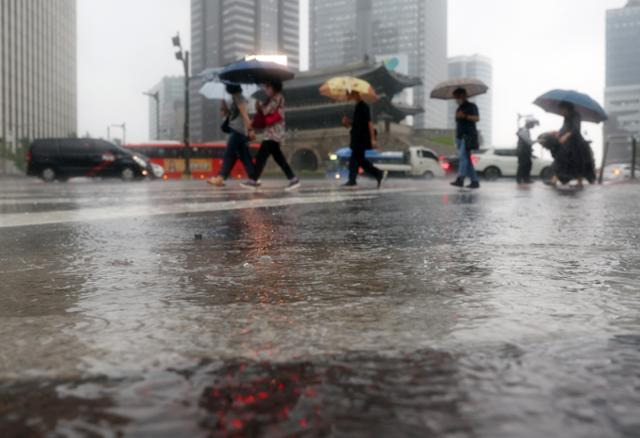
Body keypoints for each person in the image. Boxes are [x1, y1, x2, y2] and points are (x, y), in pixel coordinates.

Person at [242, 79, 300, 191]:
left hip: (274, 134)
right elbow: (266, 112)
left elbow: (268, 111)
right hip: (271, 133)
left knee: (261, 157)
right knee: (278, 158)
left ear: (274, 87)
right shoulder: (272, 98)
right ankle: (292, 178)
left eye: (268, 87)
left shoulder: (278, 97)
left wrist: (259, 107)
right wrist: (260, 106)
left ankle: (253, 180)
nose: (266, 89)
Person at [207, 84, 256, 187]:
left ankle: (220, 177)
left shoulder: (239, 97)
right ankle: (253, 177)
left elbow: (244, 114)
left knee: (228, 154)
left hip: (237, 131)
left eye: (227, 87)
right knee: (243, 157)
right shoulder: (235, 98)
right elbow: (233, 115)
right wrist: (224, 106)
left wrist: (250, 130)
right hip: (238, 131)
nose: (226, 89)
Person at [539, 101, 596, 187]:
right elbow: (564, 128)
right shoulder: (566, 117)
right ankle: (554, 180)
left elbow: (576, 129)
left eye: (561, 109)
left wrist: (566, 136)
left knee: (577, 163)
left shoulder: (576, 115)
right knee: (561, 161)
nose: (560, 111)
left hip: (576, 144)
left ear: (567, 108)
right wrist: (558, 133)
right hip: (567, 144)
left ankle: (579, 182)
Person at [341, 91, 385, 188]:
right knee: (359, 160)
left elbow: (369, 123)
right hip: (357, 138)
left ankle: (352, 180)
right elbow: (356, 125)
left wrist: (373, 139)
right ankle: (377, 173)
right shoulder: (357, 107)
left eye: (350, 94)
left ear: (356, 94)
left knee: (354, 159)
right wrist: (347, 124)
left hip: (361, 139)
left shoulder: (364, 107)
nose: (348, 97)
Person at [450, 88, 481, 189]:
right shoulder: (458, 109)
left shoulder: (471, 106)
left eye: (457, 97)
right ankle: (475, 181)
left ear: (463, 95)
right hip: (459, 137)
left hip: (468, 136)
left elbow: (477, 118)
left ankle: (460, 179)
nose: (456, 99)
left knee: (463, 158)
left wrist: (465, 116)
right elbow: (458, 122)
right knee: (466, 160)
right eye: (455, 98)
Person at [516, 119, 539, 184]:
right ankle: (520, 179)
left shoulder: (526, 130)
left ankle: (525, 179)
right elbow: (529, 142)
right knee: (522, 165)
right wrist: (538, 140)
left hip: (524, 151)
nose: (533, 126)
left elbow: (527, 143)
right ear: (529, 124)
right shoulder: (524, 130)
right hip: (523, 152)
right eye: (533, 124)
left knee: (528, 164)